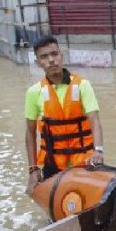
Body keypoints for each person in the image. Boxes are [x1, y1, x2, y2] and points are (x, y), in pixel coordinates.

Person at [24, 35, 104, 195]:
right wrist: (33, 170)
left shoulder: (83, 85)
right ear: (38, 63)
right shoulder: (34, 92)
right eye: (44, 57)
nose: (51, 60)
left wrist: (98, 150)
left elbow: (94, 120)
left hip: (85, 161)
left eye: (54, 54)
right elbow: (30, 132)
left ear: (61, 56)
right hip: (53, 164)